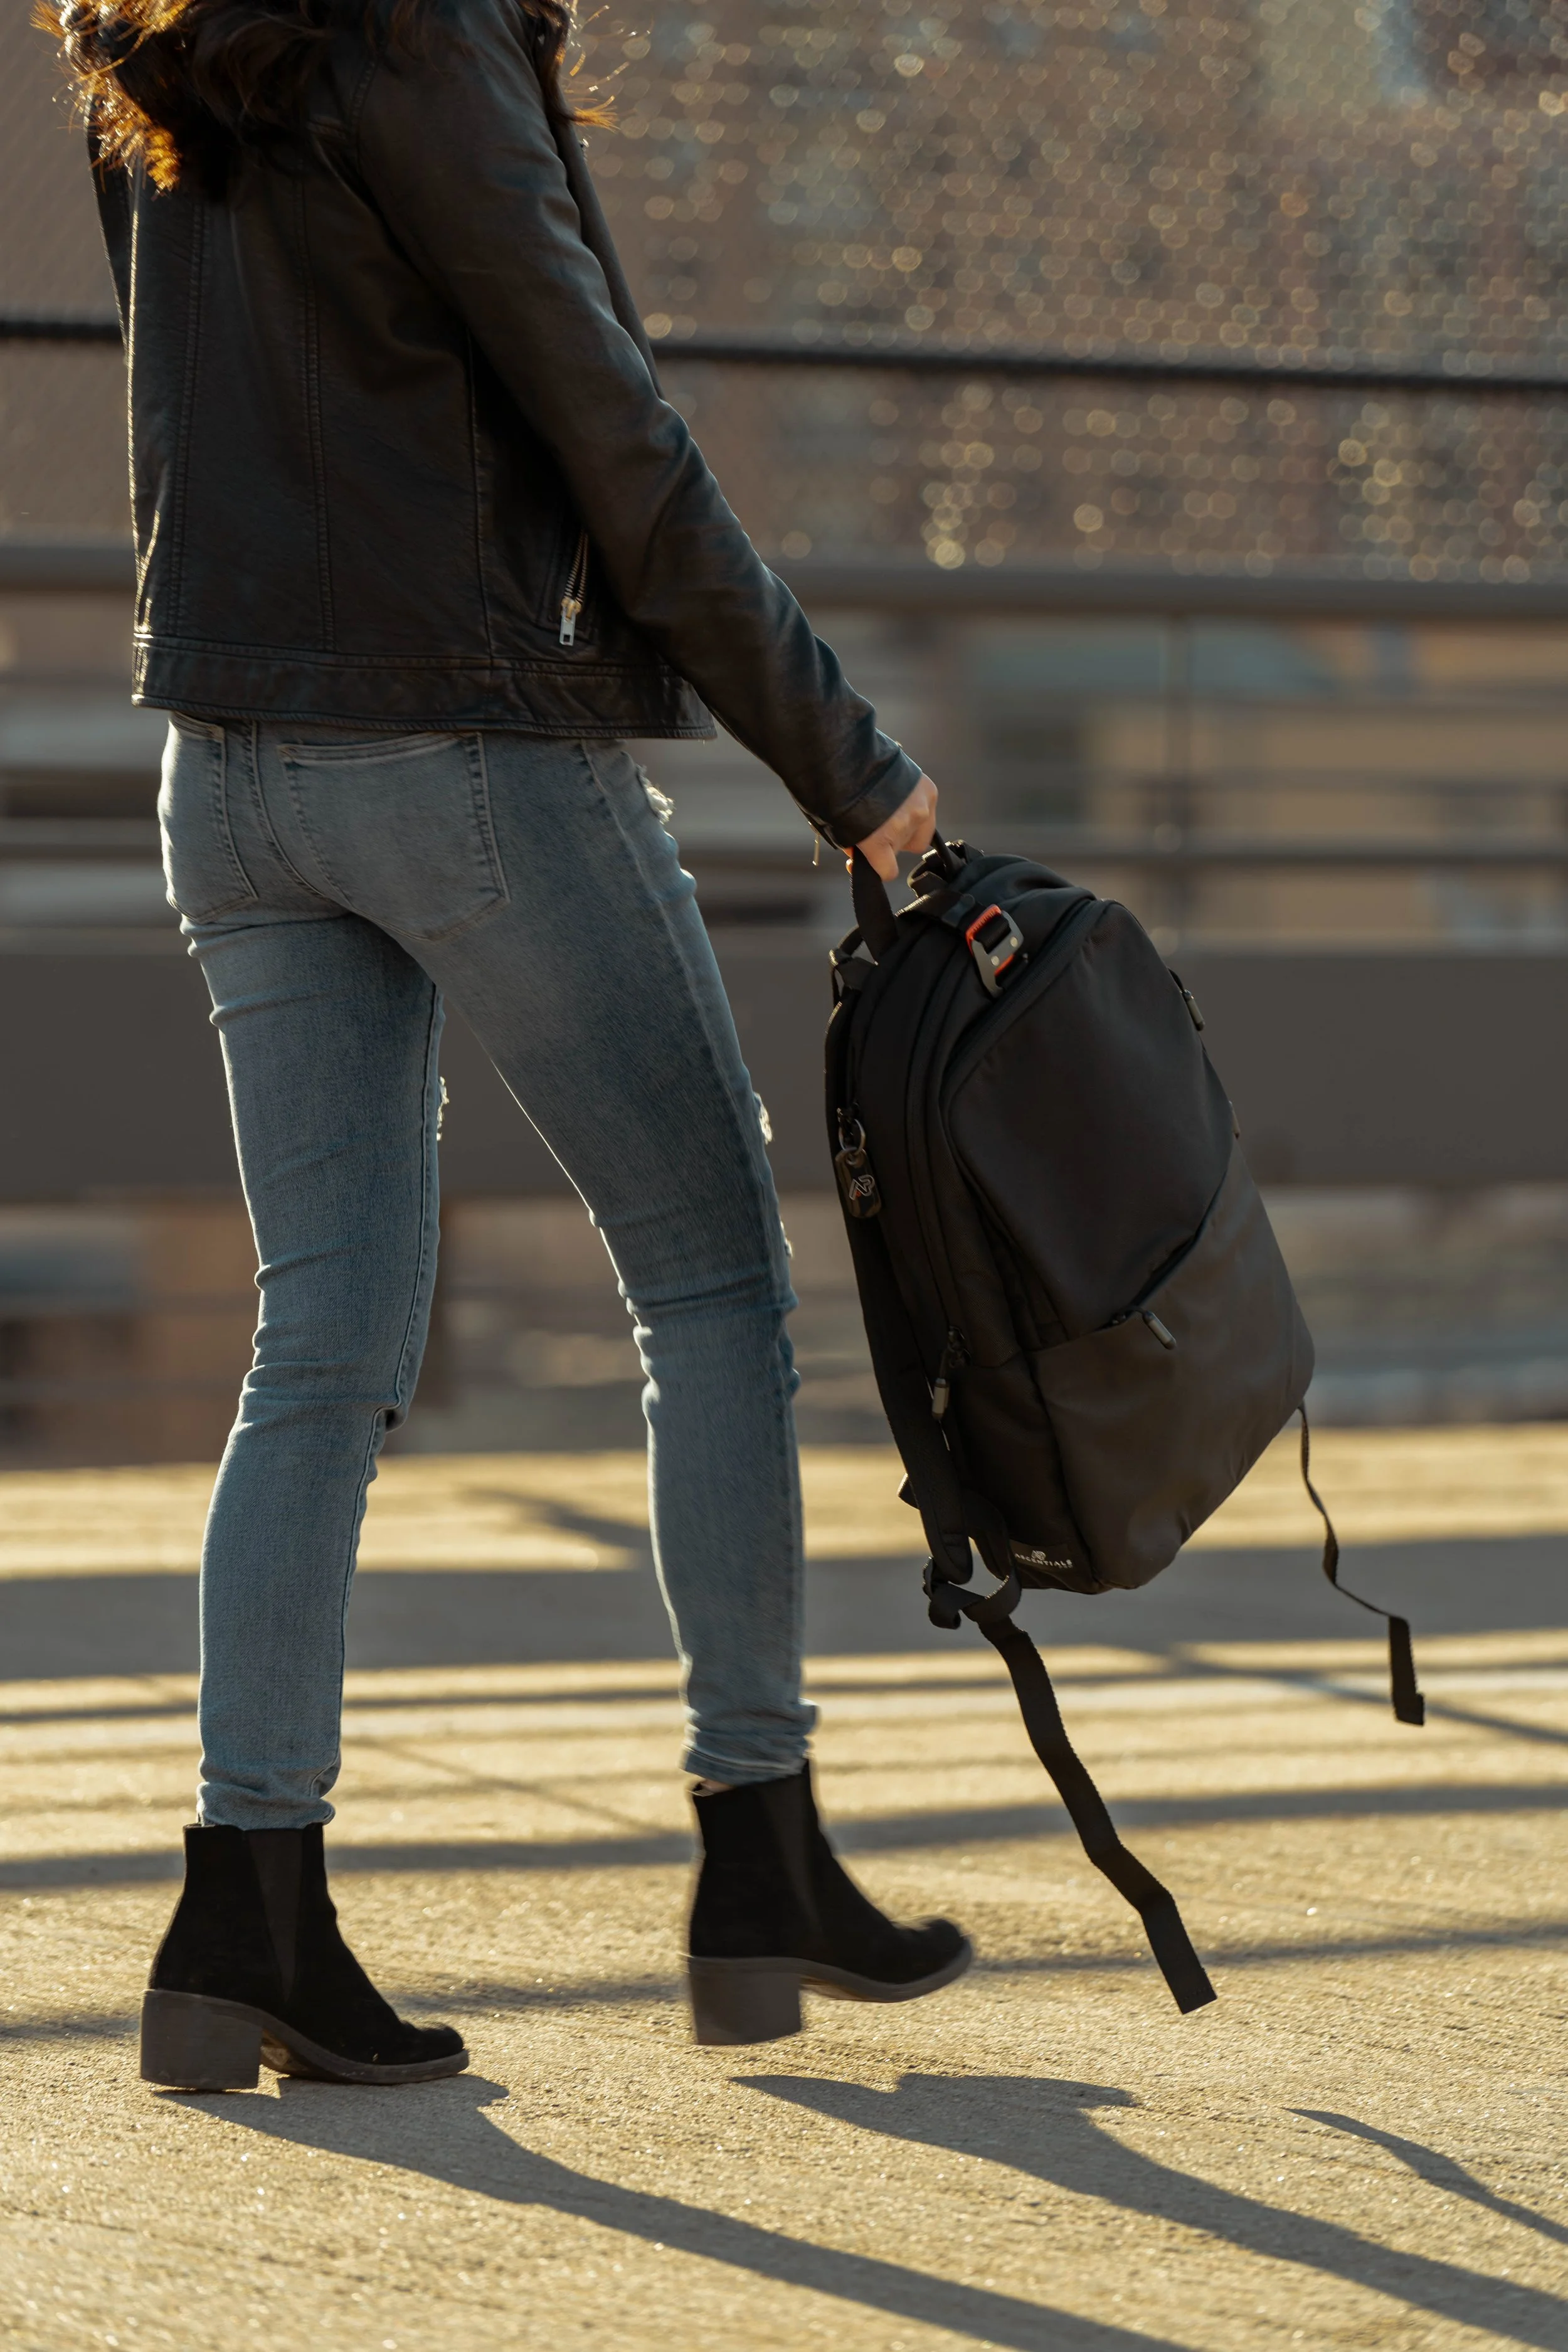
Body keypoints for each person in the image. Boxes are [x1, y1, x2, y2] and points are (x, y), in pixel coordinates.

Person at [54, 0, 972, 2087]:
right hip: (461, 743)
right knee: (713, 1274)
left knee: (322, 1340)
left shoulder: (148, 51)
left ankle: (245, 1908)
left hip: (228, 759)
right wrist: (848, 767)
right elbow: (613, 434)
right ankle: (758, 1845)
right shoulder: (421, 41)